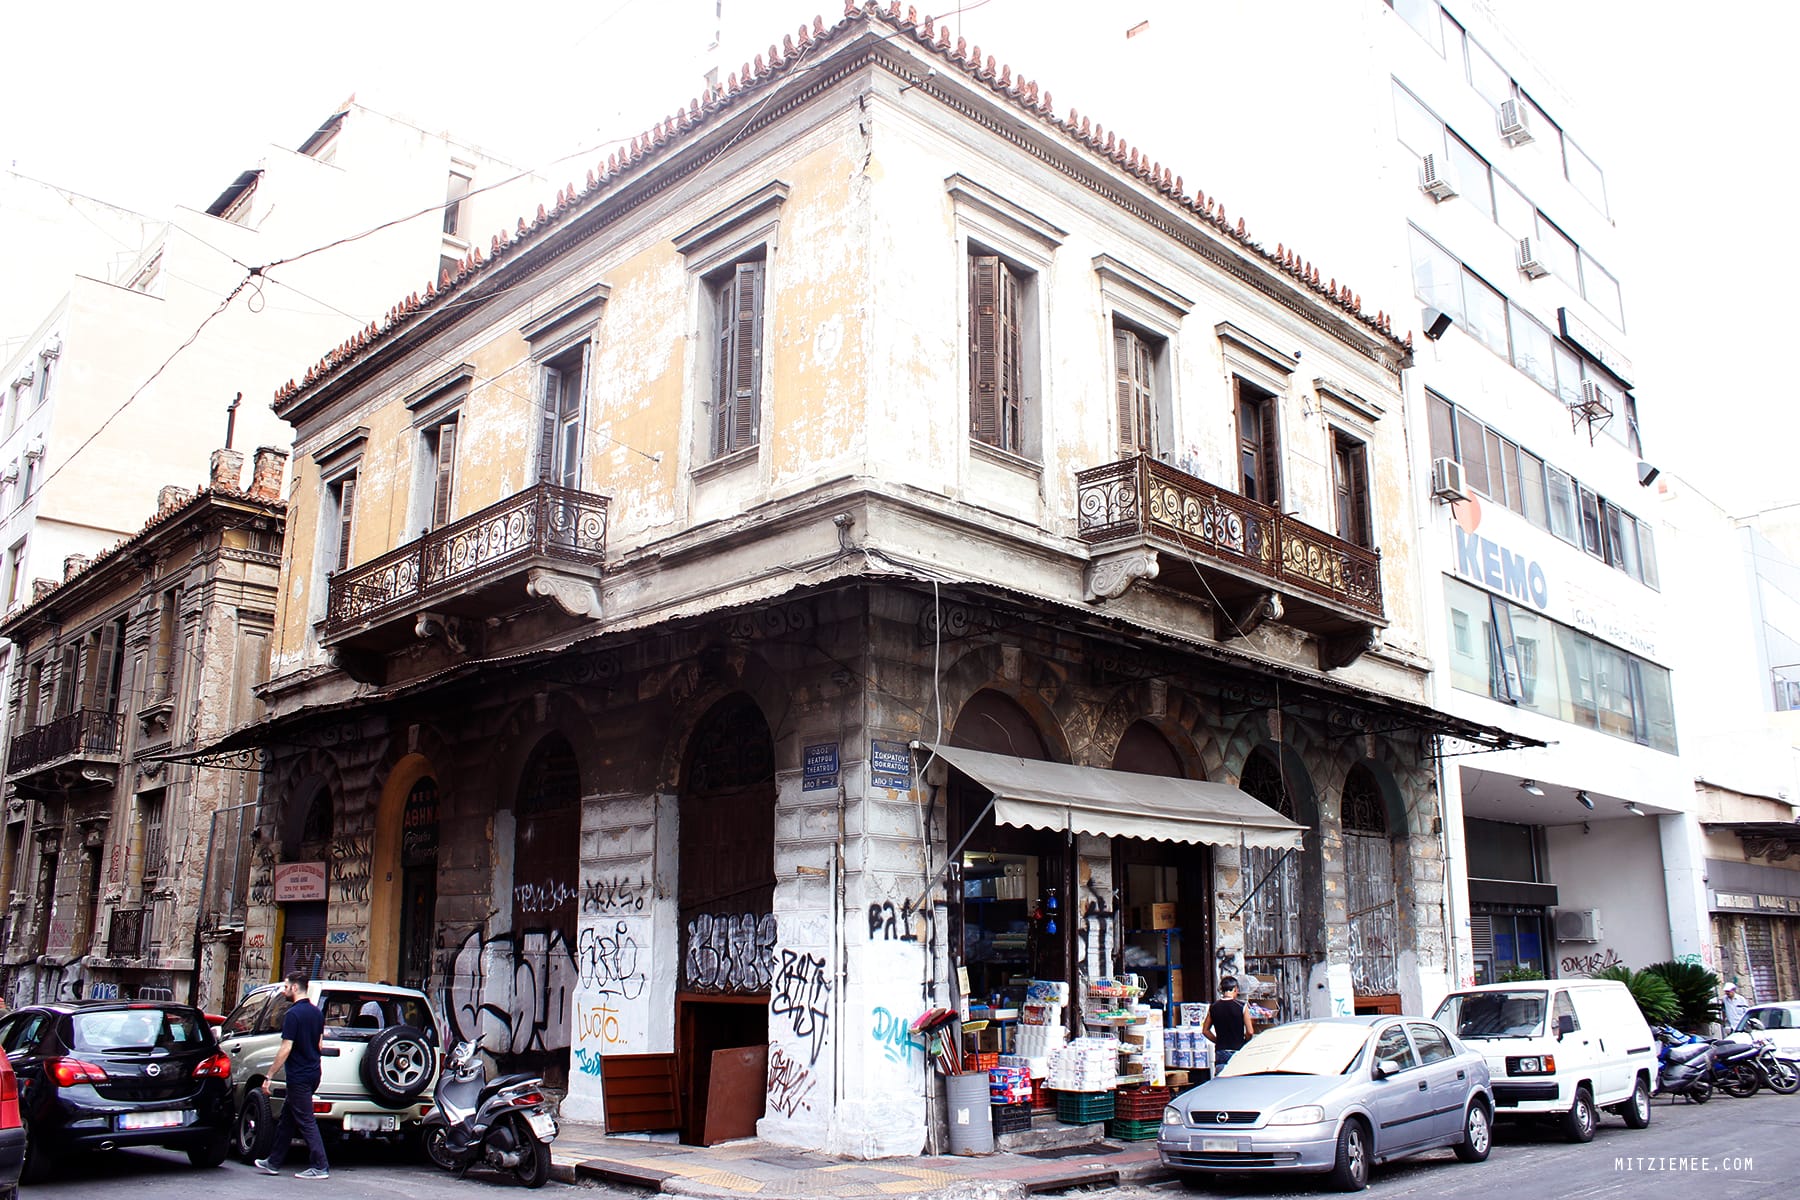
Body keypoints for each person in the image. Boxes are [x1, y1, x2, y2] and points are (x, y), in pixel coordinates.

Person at [255, 972, 330, 1179]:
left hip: (299, 1075)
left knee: (305, 1120)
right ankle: (274, 1161)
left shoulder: (293, 1015)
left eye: (286, 986)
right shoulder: (317, 1013)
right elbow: (320, 1044)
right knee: (288, 1119)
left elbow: (286, 1048)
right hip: (314, 1072)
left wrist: (269, 1075)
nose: (283, 990)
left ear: (295, 988)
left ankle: (320, 1166)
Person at [1202, 975, 1257, 1069]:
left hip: (1221, 1051)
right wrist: (1245, 1041)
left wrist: (1217, 1040)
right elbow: (1250, 1031)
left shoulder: (1213, 1007)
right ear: (1235, 990)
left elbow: (1205, 1031)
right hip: (1237, 1050)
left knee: (1222, 1080)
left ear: (1221, 990)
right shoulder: (1242, 1006)